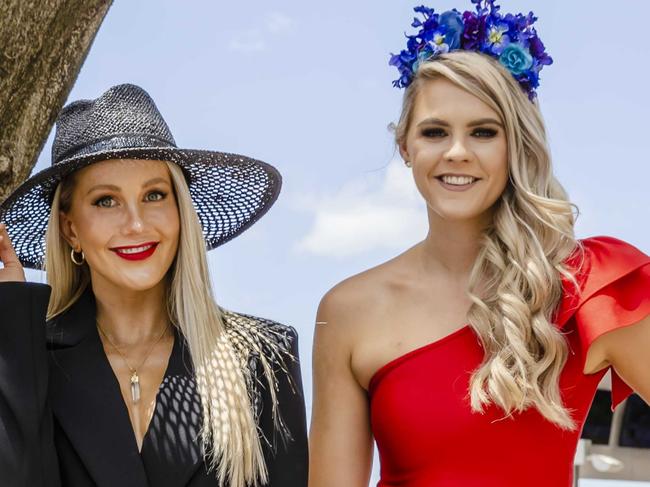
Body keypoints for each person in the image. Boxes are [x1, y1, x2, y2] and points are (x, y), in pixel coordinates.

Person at [309, 2, 650, 486]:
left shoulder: (589, 285)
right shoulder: (347, 310)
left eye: (484, 132)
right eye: (435, 132)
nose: (457, 152)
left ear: (517, 146)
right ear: (406, 147)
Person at [0, 83, 308, 487]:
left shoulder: (263, 357)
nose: (136, 224)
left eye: (155, 195)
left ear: (181, 212)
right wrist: (11, 317)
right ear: (70, 228)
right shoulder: (29, 358)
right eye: (105, 201)